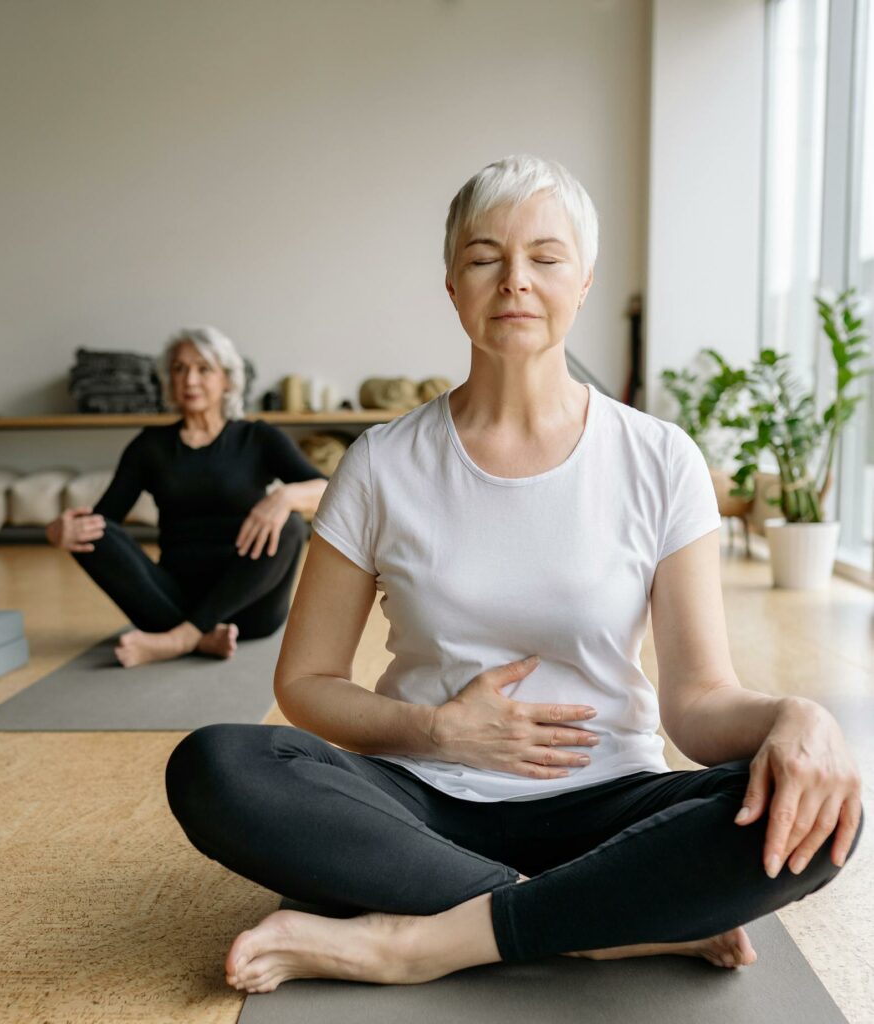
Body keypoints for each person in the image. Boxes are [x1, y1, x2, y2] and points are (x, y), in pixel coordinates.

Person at [165, 156, 864, 993]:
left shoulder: (659, 459)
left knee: (820, 813)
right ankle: (600, 926)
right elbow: (307, 683)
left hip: (607, 798)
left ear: (583, 280)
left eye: (545, 257)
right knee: (217, 767)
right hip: (419, 802)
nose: (515, 282)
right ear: (453, 284)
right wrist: (438, 733)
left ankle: (414, 944)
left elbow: (696, 705)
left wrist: (796, 716)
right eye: (484, 256)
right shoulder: (382, 463)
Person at [45, 326, 328, 668]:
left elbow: (329, 490)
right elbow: (105, 521)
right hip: (172, 600)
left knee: (292, 526)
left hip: (249, 608)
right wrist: (58, 533)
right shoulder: (150, 446)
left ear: (227, 380)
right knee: (92, 532)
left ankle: (180, 639)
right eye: (180, 369)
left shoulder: (257, 437)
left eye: (203, 369)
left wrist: (285, 497)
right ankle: (200, 637)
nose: (190, 380)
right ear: (169, 380)